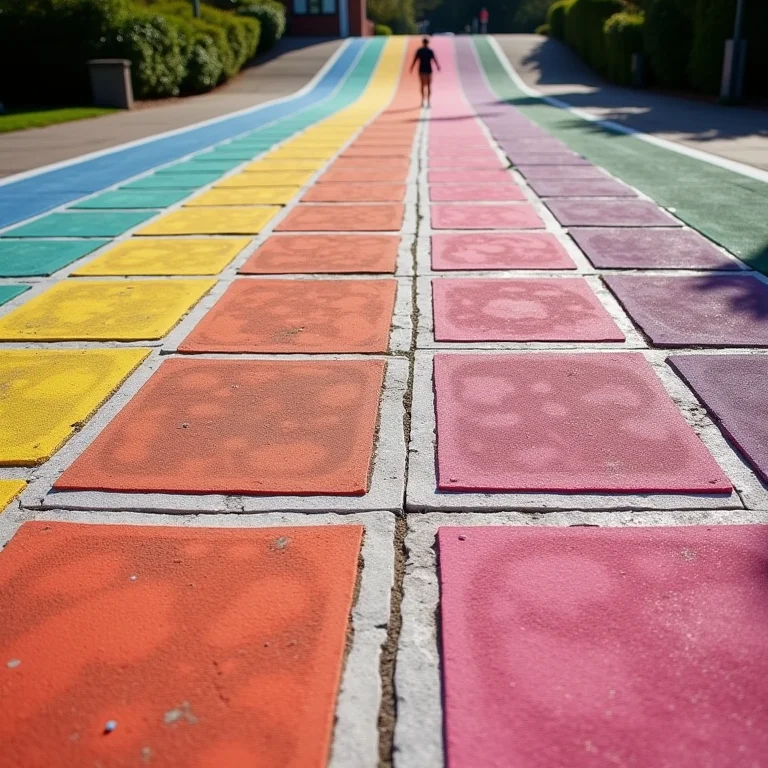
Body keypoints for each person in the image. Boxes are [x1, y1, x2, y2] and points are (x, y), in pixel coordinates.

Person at [411, 37, 441, 108]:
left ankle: (422, 101)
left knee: (422, 85)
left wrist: (411, 68)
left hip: (421, 70)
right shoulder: (430, 51)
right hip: (428, 70)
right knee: (428, 86)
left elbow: (415, 60)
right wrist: (438, 66)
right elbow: (434, 59)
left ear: (423, 42)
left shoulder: (419, 50)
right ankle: (428, 102)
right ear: (428, 43)